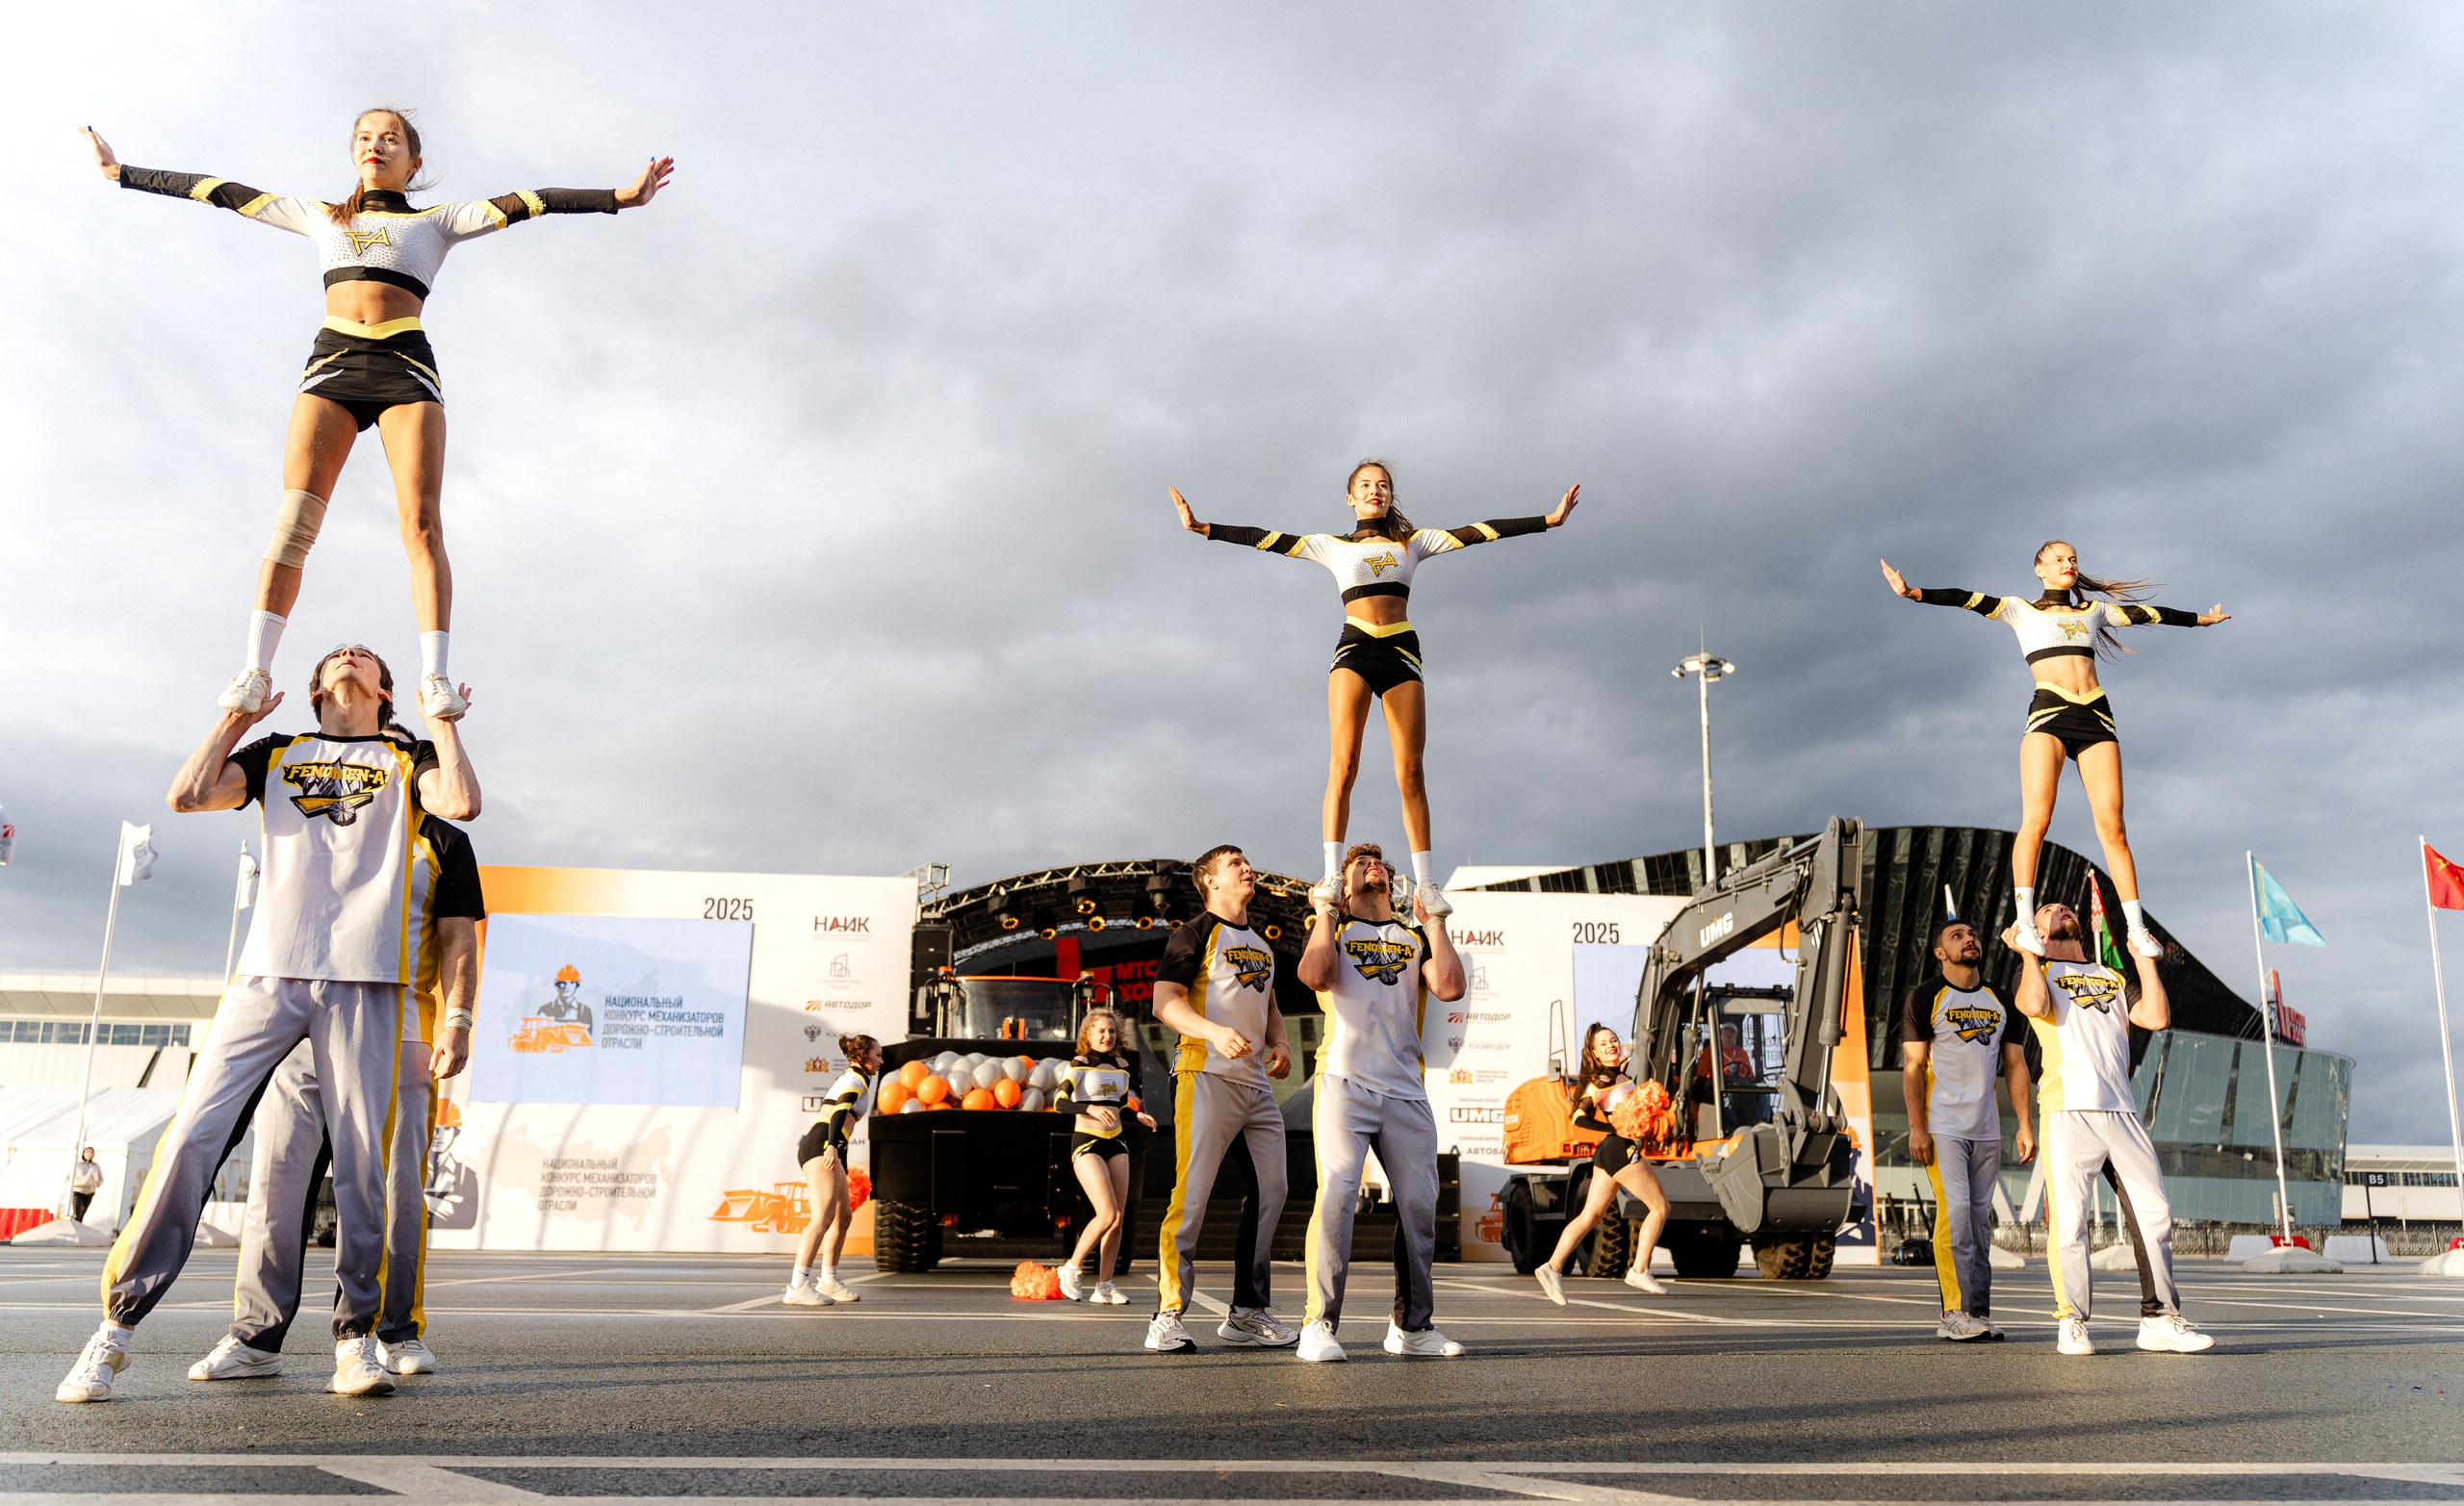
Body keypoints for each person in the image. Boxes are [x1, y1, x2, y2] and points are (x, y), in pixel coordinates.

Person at [83, 113, 672, 721]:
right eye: (364, 137)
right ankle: (255, 672)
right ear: (353, 154)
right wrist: (120, 172)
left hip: (405, 369)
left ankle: (436, 677)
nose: (376, 145)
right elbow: (221, 192)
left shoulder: (437, 224)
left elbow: (534, 201)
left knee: (421, 526)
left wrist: (620, 199)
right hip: (334, 365)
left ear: (413, 163)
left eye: (390, 137)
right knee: (293, 524)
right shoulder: (318, 215)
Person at [56, 643, 478, 1404]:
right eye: (336, 654)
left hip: (367, 983)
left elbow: (462, 804)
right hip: (268, 975)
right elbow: (186, 796)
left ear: (385, 692)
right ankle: (114, 1332)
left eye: (367, 656)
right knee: (190, 1136)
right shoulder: (278, 751)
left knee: (362, 1168)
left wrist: (442, 718)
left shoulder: (403, 752)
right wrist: (234, 716)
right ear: (316, 688)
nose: (350, 653)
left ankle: (357, 1341)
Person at [1170, 462, 1580, 911]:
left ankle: (1425, 884)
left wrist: (1549, 520)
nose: (1375, 491)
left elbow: (1481, 531)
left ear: (1390, 495)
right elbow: (1266, 538)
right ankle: (1330, 877)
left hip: (1402, 651)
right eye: (1365, 485)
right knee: (1344, 766)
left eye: (1382, 485)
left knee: (1412, 772)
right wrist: (1203, 527)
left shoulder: (1414, 542)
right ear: (1350, 497)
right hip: (1355, 650)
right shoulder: (1330, 546)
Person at [189, 820, 481, 1381]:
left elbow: (457, 938)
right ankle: (255, 1337)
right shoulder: (312, 820)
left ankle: (393, 1330)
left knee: (392, 1185)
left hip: (398, 1031)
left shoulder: (441, 839)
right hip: (300, 1027)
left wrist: (458, 1022)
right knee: (277, 1182)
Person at [1880, 546, 2227, 956]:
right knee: (2037, 821)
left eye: (2074, 559)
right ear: (2039, 569)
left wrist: (2200, 620)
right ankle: (2025, 922)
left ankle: (2136, 928)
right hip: (2050, 714)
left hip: (2096, 715)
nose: (2069, 565)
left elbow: (2147, 614)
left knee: (2113, 828)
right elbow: (1965, 598)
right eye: (2060, 559)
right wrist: (1913, 592)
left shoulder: (2092, 612)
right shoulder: (2018, 609)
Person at [2007, 901, 2213, 1355]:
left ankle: (2159, 1319)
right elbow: (2035, 1005)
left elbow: (2156, 1017)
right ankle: (2072, 1322)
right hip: (2067, 1109)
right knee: (2070, 1224)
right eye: (2046, 909)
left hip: (2120, 1109)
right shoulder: (2036, 971)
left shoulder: (2113, 976)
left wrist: (2144, 960)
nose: (2060, 908)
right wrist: (2027, 951)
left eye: (2064, 906)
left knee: (2154, 1211)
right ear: (2034, 929)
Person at [1294, 844, 1470, 1361]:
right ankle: (1319, 1324)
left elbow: (1451, 987)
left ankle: (1412, 1327)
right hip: (1344, 1083)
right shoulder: (1335, 929)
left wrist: (1435, 920)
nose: (1375, 866)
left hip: (1405, 1090)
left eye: (1382, 865)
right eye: (1360, 863)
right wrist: (1325, 910)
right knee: (1339, 1194)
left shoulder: (1414, 936)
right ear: (1344, 884)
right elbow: (1316, 976)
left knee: (1419, 1205)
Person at [1148, 845, 1296, 1353]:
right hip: (1203, 1074)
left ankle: (1247, 1314)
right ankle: (1167, 1315)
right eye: (1235, 863)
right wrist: (1213, 1031)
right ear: (1210, 880)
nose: (1247, 867)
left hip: (1255, 1084)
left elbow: (1270, 1005)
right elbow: (1163, 1002)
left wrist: (1279, 1043)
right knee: (1190, 1201)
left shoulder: (1261, 943)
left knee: (1273, 1191)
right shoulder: (1192, 933)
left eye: (1246, 860)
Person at [1899, 918, 2034, 1342]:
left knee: (1978, 1222)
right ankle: (1952, 1313)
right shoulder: (1925, 996)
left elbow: (2014, 1065)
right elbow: (1914, 1067)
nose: (1969, 939)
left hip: (1987, 1129)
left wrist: (2025, 1124)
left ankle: (1977, 1311)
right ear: (1940, 953)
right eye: (1956, 936)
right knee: (1955, 1213)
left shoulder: (2000, 999)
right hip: (1943, 1127)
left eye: (1971, 934)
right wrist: (1917, 1128)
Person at [1534, 1024, 1672, 1305]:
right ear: (1594, 1053)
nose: (1611, 1045)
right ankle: (1640, 1269)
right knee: (1660, 1207)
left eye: (1614, 1040)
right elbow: (1578, 1117)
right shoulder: (1602, 1079)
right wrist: (1611, 1127)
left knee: (1592, 1216)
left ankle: (1552, 1267)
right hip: (1619, 1150)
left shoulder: (1620, 1075)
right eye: (1603, 1044)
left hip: (1611, 1152)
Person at [1057, 1008, 1155, 1304]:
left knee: (1118, 1219)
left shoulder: (1123, 1064)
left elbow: (1121, 1104)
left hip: (1117, 1143)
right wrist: (1089, 1108)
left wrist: (1139, 1116)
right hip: (1087, 1142)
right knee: (1106, 1213)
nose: (1107, 1036)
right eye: (1100, 1031)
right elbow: (1060, 1102)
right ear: (1088, 1034)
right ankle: (1071, 1268)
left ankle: (1105, 1285)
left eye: (1111, 1031)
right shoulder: (1080, 1063)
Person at [784, 1035, 882, 1307]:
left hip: (828, 1145)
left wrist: (843, 1162)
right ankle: (798, 1286)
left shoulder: (855, 1075)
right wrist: (831, 1147)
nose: (881, 1061)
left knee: (843, 1217)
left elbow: (843, 1123)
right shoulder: (857, 1078)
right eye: (877, 1055)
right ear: (864, 1056)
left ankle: (828, 1279)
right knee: (822, 1218)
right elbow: (840, 1110)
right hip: (821, 1145)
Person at [70, 1149, 103, 1224]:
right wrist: (81, 1182)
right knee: (77, 1213)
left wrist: (96, 1184)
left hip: (89, 1192)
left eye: (91, 1152)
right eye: (87, 1152)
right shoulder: (78, 1165)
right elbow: (67, 1179)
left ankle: (80, 1228)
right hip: (79, 1191)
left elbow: (101, 1179)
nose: (89, 1154)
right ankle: (76, 1227)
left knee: (83, 1213)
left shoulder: (95, 1166)